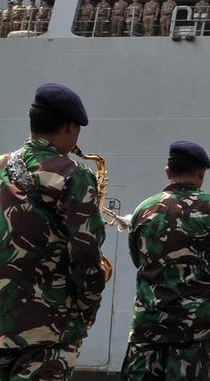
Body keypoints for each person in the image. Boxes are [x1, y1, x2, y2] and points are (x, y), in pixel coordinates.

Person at [0, 84, 105, 379]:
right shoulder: (74, 175)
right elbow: (85, 251)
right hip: (47, 329)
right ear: (70, 127)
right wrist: (87, 305)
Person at [122, 140, 210, 379]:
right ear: (201, 173)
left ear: (168, 171)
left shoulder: (144, 209)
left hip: (149, 327)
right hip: (197, 331)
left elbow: (137, 259)